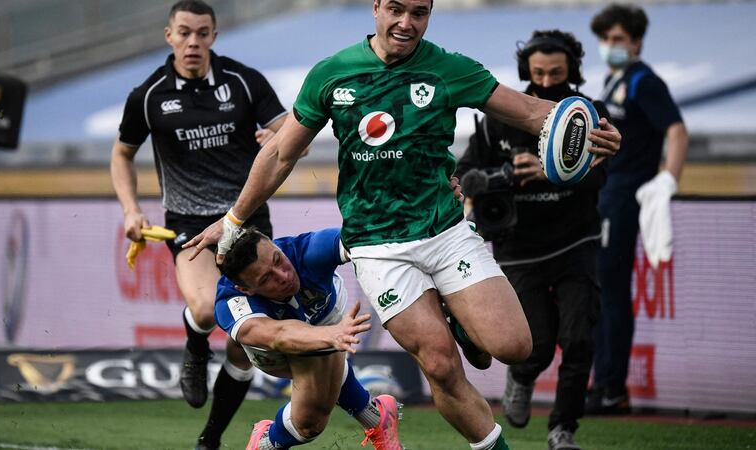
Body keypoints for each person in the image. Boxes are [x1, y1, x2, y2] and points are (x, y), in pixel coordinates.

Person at [186, 1, 621, 448]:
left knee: (514, 348)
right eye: (395, 9)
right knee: (439, 365)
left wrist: (591, 130)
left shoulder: (449, 68)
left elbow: (532, 111)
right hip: (376, 245)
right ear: (375, 7)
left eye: (419, 12)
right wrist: (235, 220)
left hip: (445, 232)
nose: (406, 23)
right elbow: (281, 153)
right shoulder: (331, 73)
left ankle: (454, 314)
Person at [109, 1, 290, 448]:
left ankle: (210, 438)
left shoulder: (244, 82)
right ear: (168, 35)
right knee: (209, 311)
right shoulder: (149, 96)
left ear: (214, 35)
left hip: (247, 220)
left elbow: (292, 130)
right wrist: (131, 209)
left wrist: (280, 138)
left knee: (248, 341)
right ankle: (195, 345)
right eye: (185, 33)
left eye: (203, 33)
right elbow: (122, 154)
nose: (194, 42)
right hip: (188, 221)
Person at [455, 30, 608, 450]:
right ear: (526, 71)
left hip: (577, 240)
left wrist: (552, 170)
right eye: (538, 73)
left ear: (571, 71)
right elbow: (466, 176)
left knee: (579, 338)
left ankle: (563, 430)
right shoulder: (501, 115)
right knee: (535, 347)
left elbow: (601, 174)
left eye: (556, 73)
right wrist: (503, 175)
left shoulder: (590, 113)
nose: (545, 81)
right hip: (518, 247)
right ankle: (522, 377)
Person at [586, 3, 688, 415]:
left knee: (611, 293)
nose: (610, 46)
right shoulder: (614, 80)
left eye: (618, 40)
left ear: (636, 42)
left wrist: (668, 179)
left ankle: (611, 389)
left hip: (627, 197)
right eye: (606, 40)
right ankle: (604, 384)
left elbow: (677, 131)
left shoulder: (645, 82)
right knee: (600, 292)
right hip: (606, 195)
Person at [215, 227, 401, 450]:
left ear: (275, 246)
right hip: (275, 352)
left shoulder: (306, 251)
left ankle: (374, 417)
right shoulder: (231, 303)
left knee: (310, 425)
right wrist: (329, 335)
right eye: (267, 279)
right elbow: (278, 336)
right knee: (309, 419)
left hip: (327, 315)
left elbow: (366, 237)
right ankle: (375, 415)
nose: (283, 275)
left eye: (278, 259)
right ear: (245, 288)